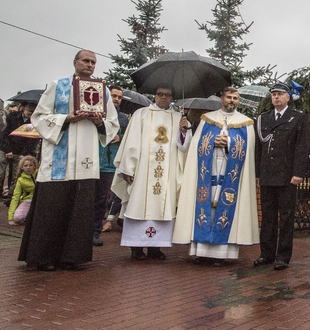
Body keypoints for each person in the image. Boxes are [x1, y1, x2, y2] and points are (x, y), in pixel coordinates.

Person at [21, 49, 119, 271]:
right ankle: (45, 257)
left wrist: (98, 122)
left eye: (93, 62)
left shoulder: (102, 90)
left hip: (86, 160)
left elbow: (113, 123)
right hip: (58, 160)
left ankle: (72, 257)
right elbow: (39, 117)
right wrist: (67, 118)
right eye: (85, 61)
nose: (90, 65)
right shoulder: (58, 85)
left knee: (79, 211)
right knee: (52, 209)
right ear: (75, 62)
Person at [173, 87, 259, 266]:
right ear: (222, 98)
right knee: (205, 204)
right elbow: (197, 145)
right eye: (229, 97)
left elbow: (248, 151)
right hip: (209, 169)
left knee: (224, 204)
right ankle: (201, 251)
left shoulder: (246, 123)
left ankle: (221, 253)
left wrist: (227, 143)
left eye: (235, 98)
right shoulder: (208, 120)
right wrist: (212, 142)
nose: (232, 101)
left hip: (230, 173)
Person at [110, 85, 191, 261]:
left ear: (171, 98)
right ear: (154, 96)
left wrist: (185, 131)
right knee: (138, 205)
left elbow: (183, 147)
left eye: (167, 95)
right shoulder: (142, 114)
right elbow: (131, 142)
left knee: (163, 207)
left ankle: (156, 248)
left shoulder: (178, 118)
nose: (163, 98)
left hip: (167, 173)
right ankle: (136, 248)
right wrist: (128, 168)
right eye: (160, 94)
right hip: (142, 171)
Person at [254, 82, 310, 271]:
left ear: (288, 97)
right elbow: (258, 149)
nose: (276, 97)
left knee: (286, 216)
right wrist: (257, 173)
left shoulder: (298, 118)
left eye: (280, 94)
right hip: (268, 174)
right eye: (273, 94)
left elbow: (302, 147)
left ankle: (283, 256)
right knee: (268, 215)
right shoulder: (263, 118)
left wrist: (298, 173)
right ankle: (266, 254)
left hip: (287, 175)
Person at [92, 85, 129, 247]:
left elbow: (129, 137)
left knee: (101, 199)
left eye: (119, 97)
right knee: (88, 198)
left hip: (110, 163)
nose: (116, 99)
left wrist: (119, 138)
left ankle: (95, 232)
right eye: (114, 96)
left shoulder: (122, 119)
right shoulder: (95, 113)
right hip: (92, 160)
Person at [1, 102, 39, 206]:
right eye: (29, 112)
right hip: (9, 148)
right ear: (24, 109)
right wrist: (8, 149)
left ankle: (11, 197)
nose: (30, 114)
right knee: (5, 173)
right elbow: (5, 133)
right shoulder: (13, 117)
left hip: (22, 151)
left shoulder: (34, 121)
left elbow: (32, 139)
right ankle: (6, 195)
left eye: (32, 112)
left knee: (16, 175)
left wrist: (24, 153)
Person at [8, 155, 37, 225]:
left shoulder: (40, 175)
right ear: (22, 167)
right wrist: (10, 217)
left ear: (34, 166)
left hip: (39, 200)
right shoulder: (20, 180)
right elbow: (16, 197)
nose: (28, 168)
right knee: (18, 218)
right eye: (25, 166)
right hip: (28, 200)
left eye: (30, 165)